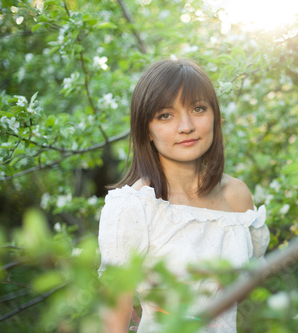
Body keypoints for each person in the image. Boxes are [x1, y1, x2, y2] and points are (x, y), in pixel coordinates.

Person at [97, 58, 270, 333]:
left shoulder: (238, 197)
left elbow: (245, 293)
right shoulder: (134, 207)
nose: (186, 126)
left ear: (215, 116)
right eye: (165, 115)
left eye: (198, 108)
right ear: (147, 131)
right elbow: (112, 327)